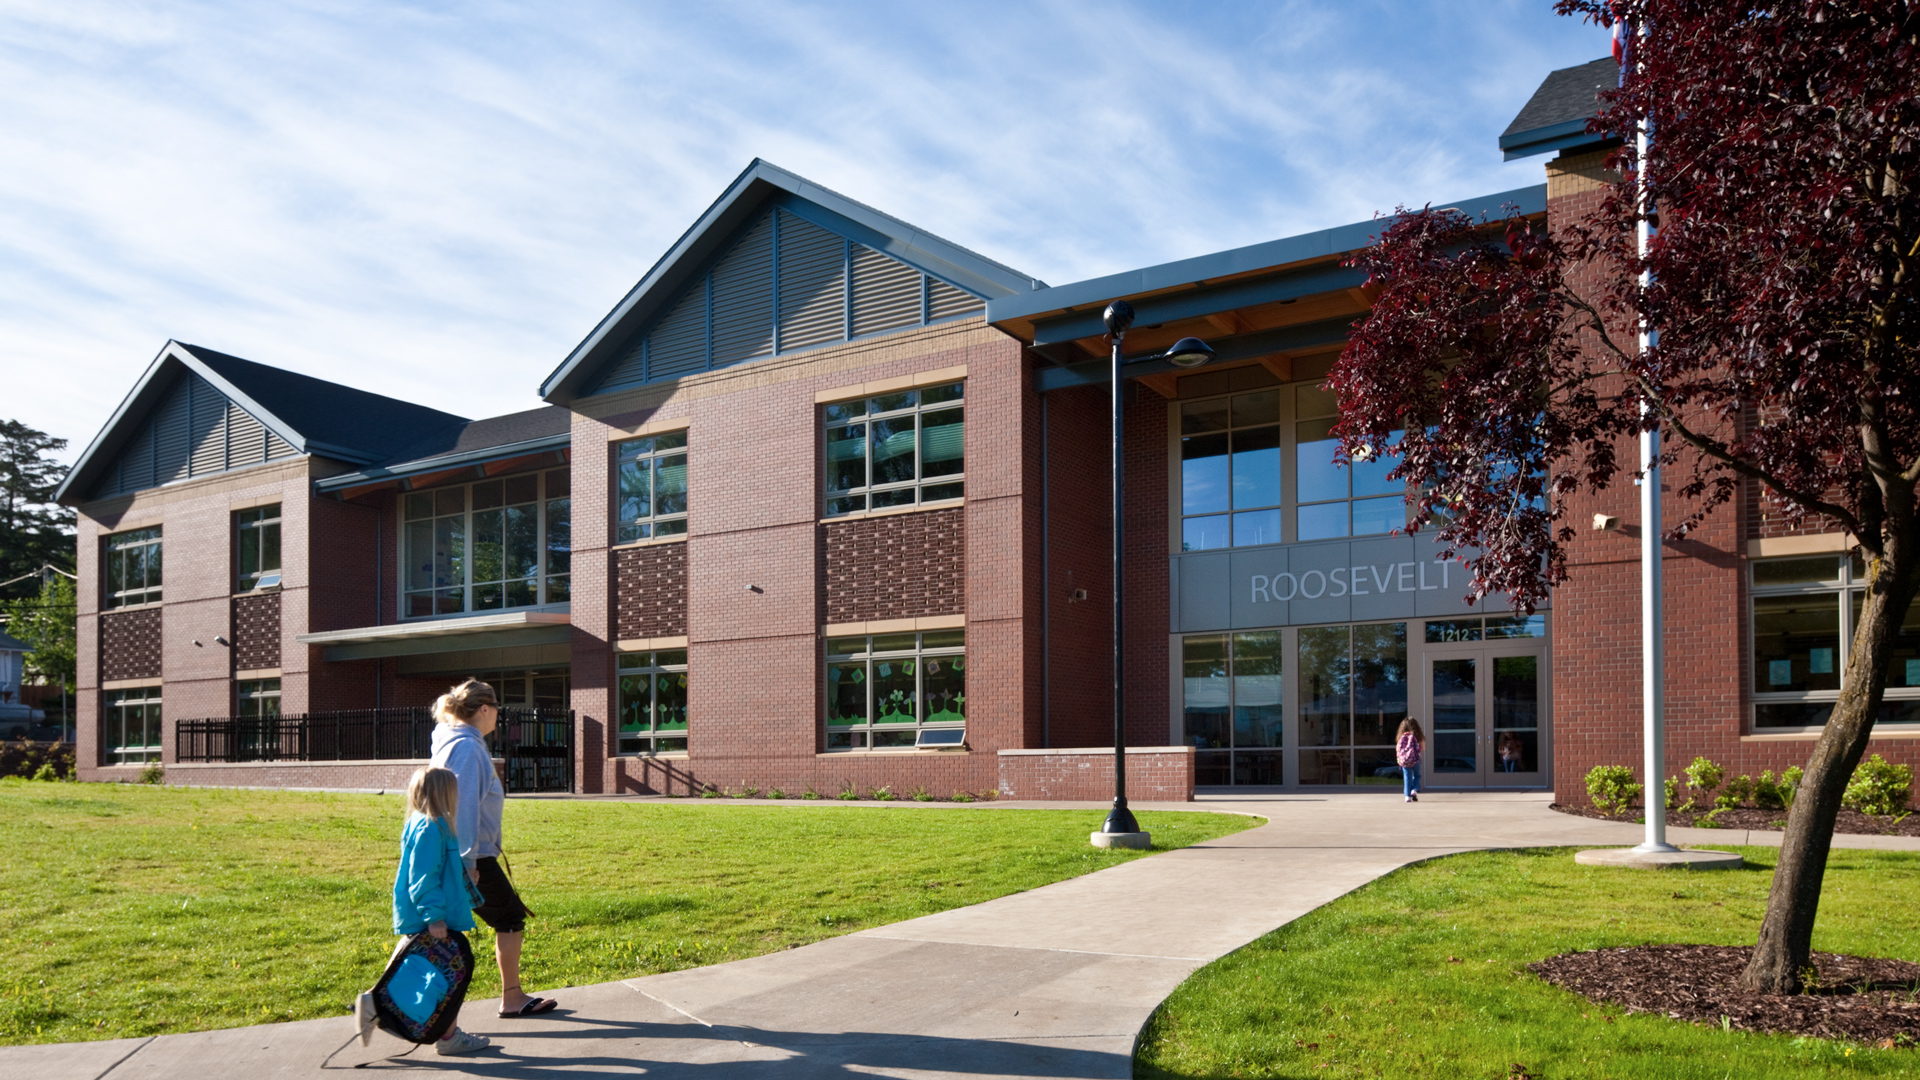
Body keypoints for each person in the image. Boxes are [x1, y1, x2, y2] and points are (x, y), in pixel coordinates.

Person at [429, 679, 560, 1018]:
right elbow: (465, 807)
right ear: (484, 709)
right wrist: (468, 862)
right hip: (469, 855)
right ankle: (510, 998)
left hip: (453, 851)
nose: (499, 715)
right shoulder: (468, 749)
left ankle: (389, 1001)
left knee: (439, 929)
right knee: (507, 916)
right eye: (497, 708)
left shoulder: (452, 741)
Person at [357, 766, 489, 1055]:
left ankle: (373, 1003)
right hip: (433, 917)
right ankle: (448, 1038)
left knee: (420, 969)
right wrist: (434, 916)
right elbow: (423, 877)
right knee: (450, 973)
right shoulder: (431, 827)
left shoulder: (425, 823)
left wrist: (465, 879)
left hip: (430, 914)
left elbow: (438, 870)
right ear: (444, 794)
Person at [1395, 718, 1425, 803]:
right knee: (1417, 776)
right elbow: (1423, 747)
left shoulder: (1401, 737)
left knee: (1407, 778)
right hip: (1416, 759)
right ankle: (1414, 790)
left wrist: (1399, 759)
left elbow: (1397, 749)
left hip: (1404, 760)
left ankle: (1407, 796)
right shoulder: (1418, 736)